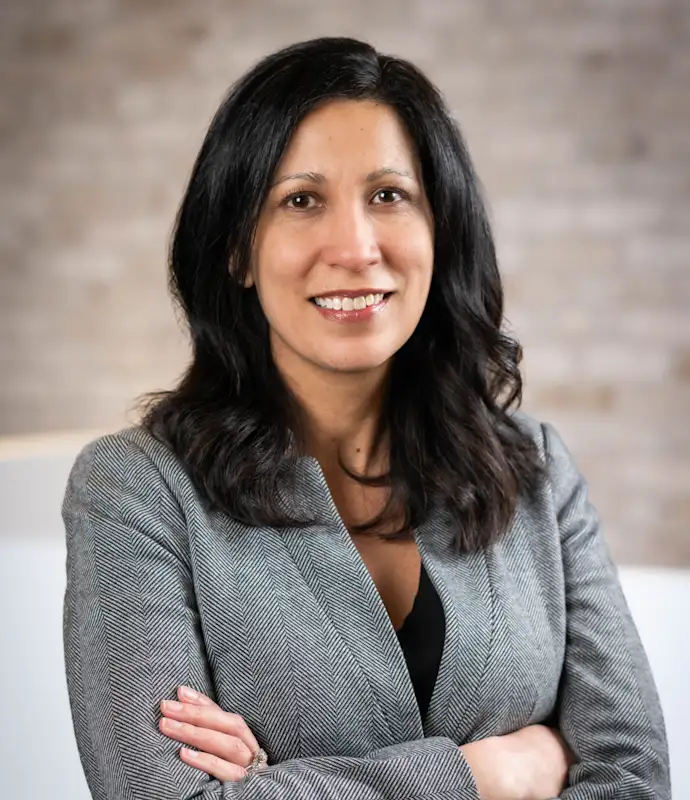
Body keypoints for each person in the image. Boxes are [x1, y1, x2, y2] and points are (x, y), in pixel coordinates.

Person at [62, 36, 671, 799]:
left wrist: (279, 786)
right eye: (301, 200)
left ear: (438, 231)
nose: (354, 247)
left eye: (388, 195)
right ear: (236, 252)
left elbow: (634, 777)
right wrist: (489, 774)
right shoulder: (137, 493)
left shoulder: (537, 471)